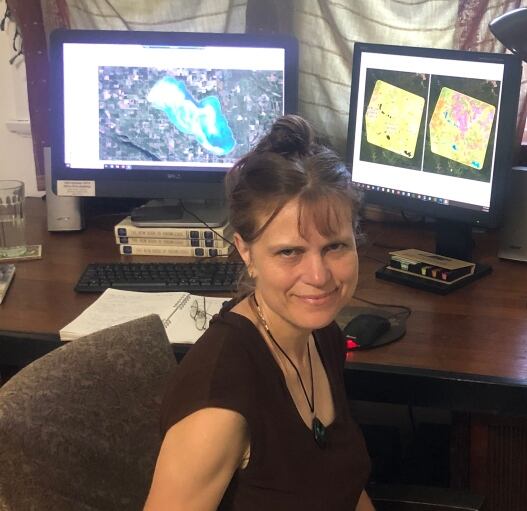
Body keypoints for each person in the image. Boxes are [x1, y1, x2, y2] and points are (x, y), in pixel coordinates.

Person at [144, 115, 374, 510]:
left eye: (335, 246)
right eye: (290, 252)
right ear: (246, 251)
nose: (318, 276)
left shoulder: (320, 333)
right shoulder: (219, 408)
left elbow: (343, 487)